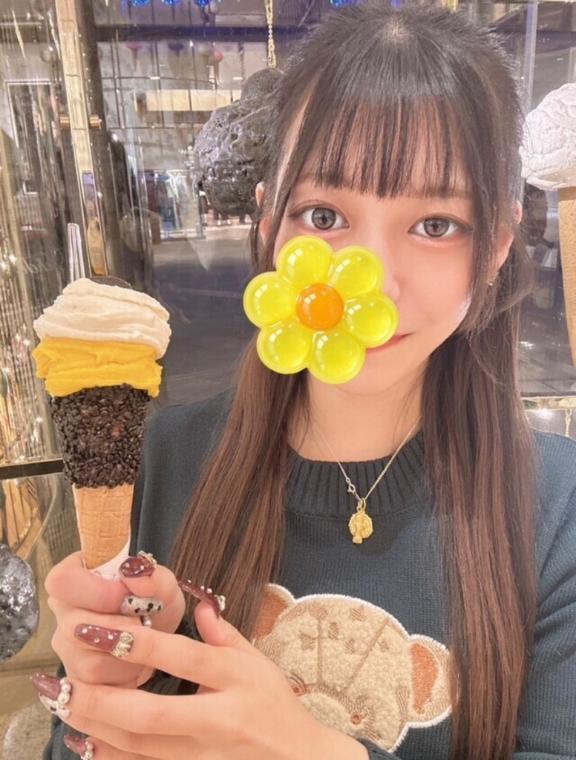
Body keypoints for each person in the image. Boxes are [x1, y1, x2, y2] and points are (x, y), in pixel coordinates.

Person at [39, 4, 576, 760]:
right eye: (324, 215)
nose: (370, 284)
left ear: (494, 247)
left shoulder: (560, 506)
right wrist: (114, 693)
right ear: (269, 227)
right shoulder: (162, 460)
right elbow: (75, 744)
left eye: (435, 225)